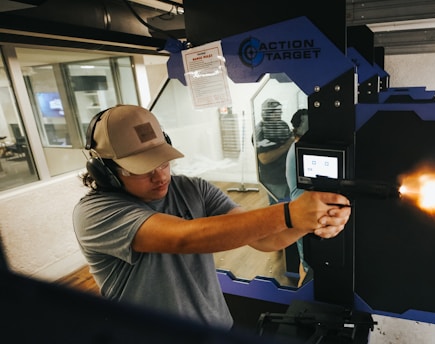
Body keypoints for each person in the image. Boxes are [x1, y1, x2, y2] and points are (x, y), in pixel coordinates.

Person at [72, 105, 351, 331]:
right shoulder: (96, 212)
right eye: (141, 169)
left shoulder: (192, 189)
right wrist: (290, 213)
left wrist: (309, 222)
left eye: (163, 161)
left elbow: (266, 239)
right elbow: (184, 237)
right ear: (104, 171)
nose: (160, 176)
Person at [285, 109, 311, 286]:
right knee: (308, 268)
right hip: (303, 214)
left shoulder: (300, 148)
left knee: (305, 264)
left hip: (304, 212)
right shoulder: (299, 150)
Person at [253, 98, 294, 204]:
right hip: (274, 179)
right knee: (277, 207)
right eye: (275, 112)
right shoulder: (260, 131)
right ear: (266, 113)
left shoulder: (282, 125)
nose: (278, 115)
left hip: (286, 175)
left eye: (279, 112)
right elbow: (264, 158)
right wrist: (286, 146)